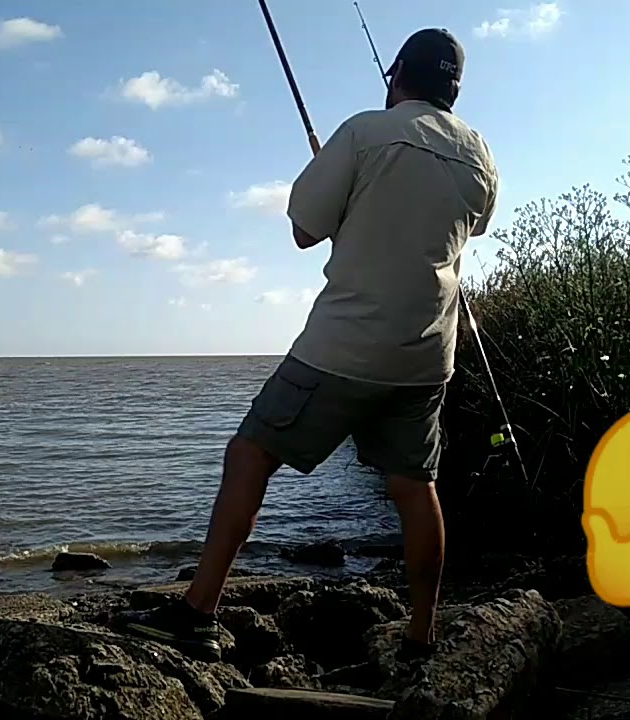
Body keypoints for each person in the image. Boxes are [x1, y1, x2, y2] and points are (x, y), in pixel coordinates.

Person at [113, 27, 498, 663]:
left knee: (250, 454)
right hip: (428, 355)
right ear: (454, 88)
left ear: (396, 72)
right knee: (413, 486)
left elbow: (301, 230)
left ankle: (197, 611)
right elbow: (472, 224)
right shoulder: (480, 155)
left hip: (344, 345)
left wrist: (341, 181)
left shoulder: (363, 132)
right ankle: (421, 637)